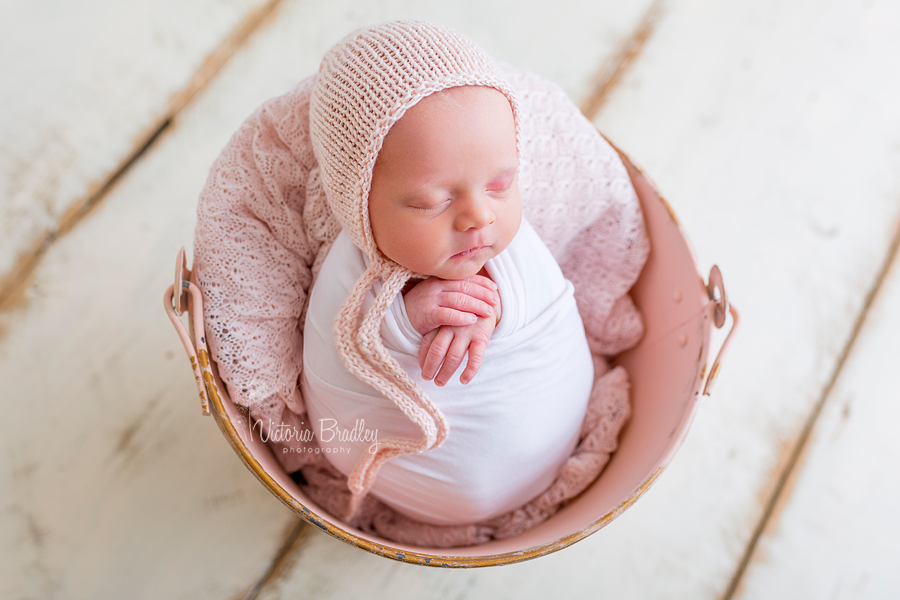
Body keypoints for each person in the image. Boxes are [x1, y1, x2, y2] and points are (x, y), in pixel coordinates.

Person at [193, 19, 649, 545]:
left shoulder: (521, 250)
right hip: (401, 488)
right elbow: (332, 350)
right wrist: (399, 325)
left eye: (501, 185)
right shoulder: (348, 275)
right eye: (432, 201)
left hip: (548, 447)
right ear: (359, 201)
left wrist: (498, 309)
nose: (479, 216)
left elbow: (551, 303)